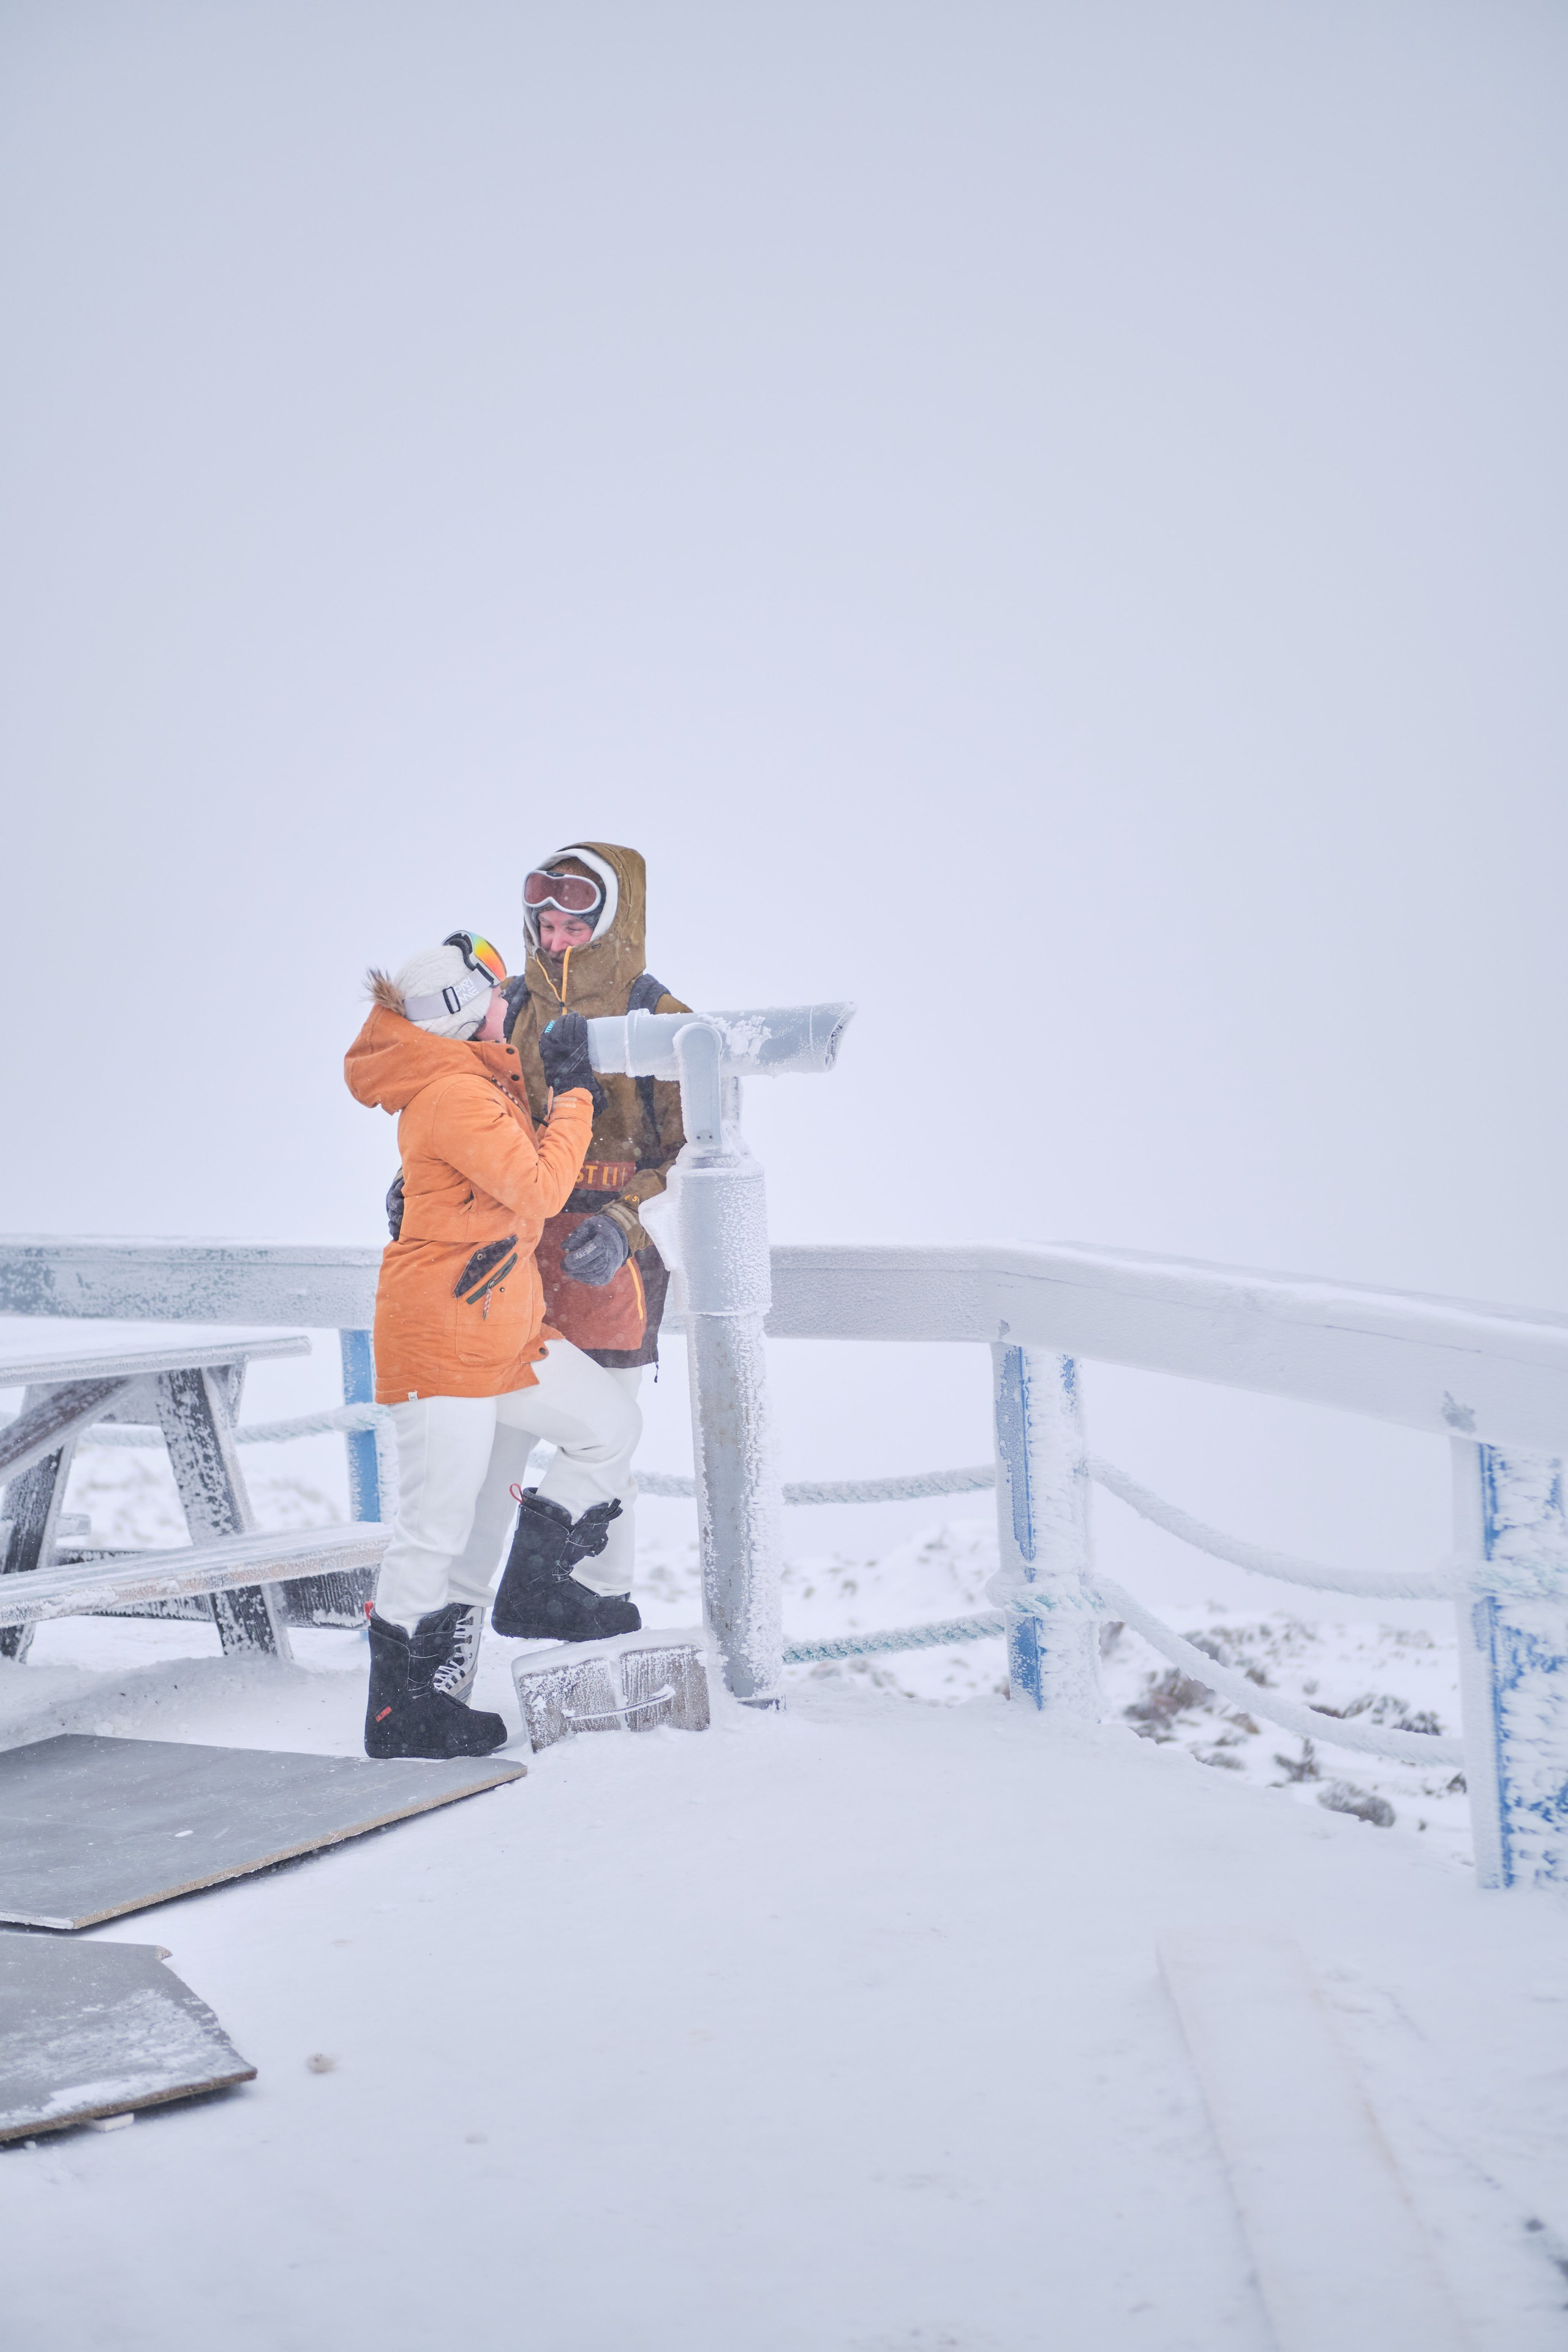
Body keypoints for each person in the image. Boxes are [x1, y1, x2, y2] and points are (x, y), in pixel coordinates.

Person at [345, 930, 644, 1762]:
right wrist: (579, 1092)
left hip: (501, 1333)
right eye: (506, 999)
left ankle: (536, 1590)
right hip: (445, 1344)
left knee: (607, 1425)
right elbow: (542, 1188)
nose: (516, 1008)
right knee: (432, 1533)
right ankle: (398, 1716)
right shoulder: (455, 1095)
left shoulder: (470, 1084)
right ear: (472, 1017)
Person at [439, 844, 689, 1618]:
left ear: (612, 926)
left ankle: (593, 1599)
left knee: (609, 1435)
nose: (553, 943)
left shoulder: (662, 1020)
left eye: (571, 930)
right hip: (512, 1252)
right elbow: (460, 1117)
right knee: (495, 1444)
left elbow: (692, 1160)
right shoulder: (507, 1008)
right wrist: (423, 1189)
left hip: (613, 1262)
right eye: (543, 927)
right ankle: (457, 1610)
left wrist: (625, 1221)